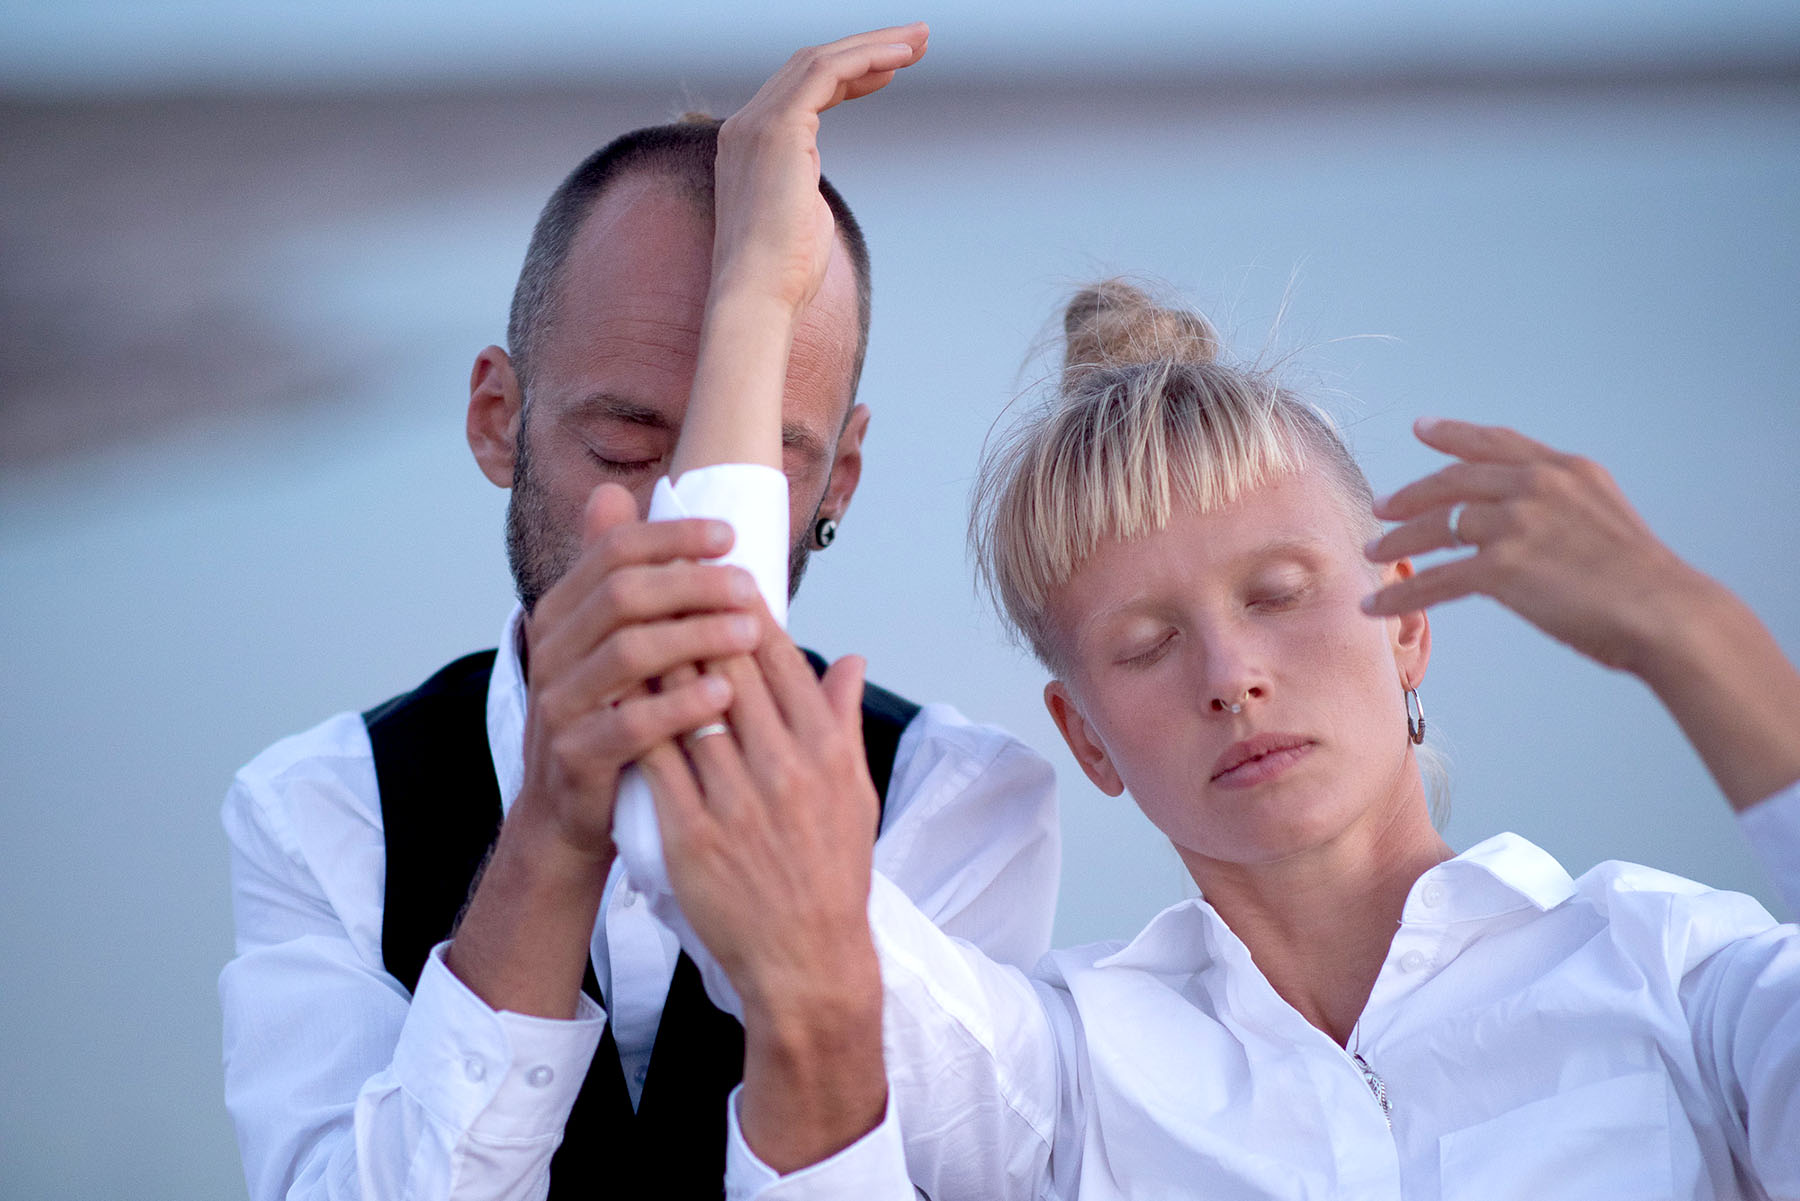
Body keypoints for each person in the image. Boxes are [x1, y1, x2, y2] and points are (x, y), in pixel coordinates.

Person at [641, 282, 1800, 1198]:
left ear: (1408, 623)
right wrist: (759, 292)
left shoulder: (1676, 974)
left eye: (1281, 592)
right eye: (1146, 645)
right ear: (1086, 739)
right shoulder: (1064, 1075)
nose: (1230, 676)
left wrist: (1691, 636)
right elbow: (711, 792)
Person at [217, 25, 1061, 1201]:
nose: (675, 526)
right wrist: (551, 835)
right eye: (623, 443)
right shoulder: (320, 810)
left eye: (755, 460)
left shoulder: (960, 805)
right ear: (494, 416)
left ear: (840, 481)